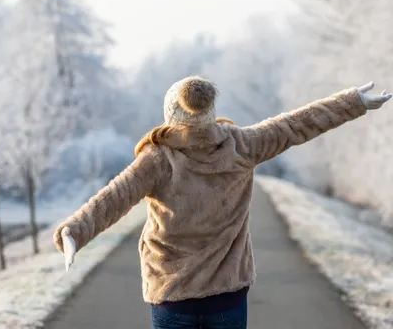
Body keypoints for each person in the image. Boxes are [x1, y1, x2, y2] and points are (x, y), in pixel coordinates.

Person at [53, 77, 391, 329]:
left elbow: (113, 198)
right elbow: (296, 124)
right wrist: (353, 102)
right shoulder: (242, 145)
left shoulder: (157, 159)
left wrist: (74, 231)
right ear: (209, 113)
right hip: (228, 295)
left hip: (171, 296)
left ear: (171, 114)